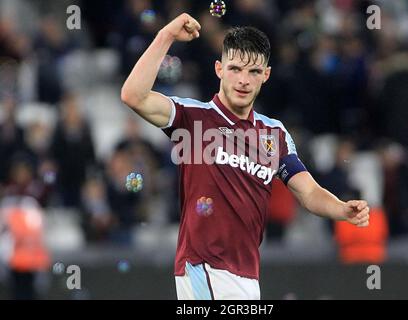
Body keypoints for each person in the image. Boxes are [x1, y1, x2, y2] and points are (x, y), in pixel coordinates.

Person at [121, 13, 370, 300]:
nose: (243, 80)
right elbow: (133, 96)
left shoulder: (273, 134)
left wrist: (340, 208)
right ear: (219, 69)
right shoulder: (193, 119)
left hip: (247, 275)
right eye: (235, 68)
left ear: (266, 74)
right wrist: (166, 35)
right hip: (204, 268)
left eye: (253, 72)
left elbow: (308, 191)